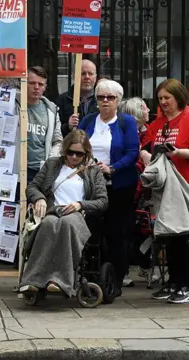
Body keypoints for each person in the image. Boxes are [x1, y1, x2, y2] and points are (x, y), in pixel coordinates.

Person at [20, 130, 108, 296]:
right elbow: (32, 187)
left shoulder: (93, 170)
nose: (74, 157)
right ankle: (33, 280)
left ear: (86, 153)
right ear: (64, 150)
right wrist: (39, 198)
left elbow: (102, 201)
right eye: (70, 152)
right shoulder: (53, 164)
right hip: (54, 210)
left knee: (67, 225)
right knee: (47, 224)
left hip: (78, 215)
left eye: (79, 154)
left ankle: (59, 281)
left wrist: (80, 205)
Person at [77, 79, 139, 296]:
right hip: (91, 187)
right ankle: (92, 274)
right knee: (91, 230)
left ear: (118, 101)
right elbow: (76, 145)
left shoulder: (126, 122)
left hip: (118, 186)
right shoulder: (88, 120)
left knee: (116, 233)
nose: (105, 101)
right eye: (101, 97)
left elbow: (133, 152)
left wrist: (112, 168)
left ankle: (117, 278)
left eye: (110, 97)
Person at [140, 79, 189, 303]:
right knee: (167, 236)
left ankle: (184, 284)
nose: (163, 102)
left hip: (183, 183)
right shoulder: (158, 122)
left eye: (167, 98)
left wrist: (177, 152)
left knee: (183, 236)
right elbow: (145, 146)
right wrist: (149, 156)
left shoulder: (187, 117)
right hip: (163, 187)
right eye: (160, 98)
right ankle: (173, 281)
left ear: (178, 97)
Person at [118, 97, 155, 286]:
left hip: (146, 188)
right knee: (129, 228)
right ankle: (125, 269)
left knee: (146, 228)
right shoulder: (128, 132)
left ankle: (144, 264)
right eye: (144, 106)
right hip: (132, 186)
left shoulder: (149, 131)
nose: (149, 109)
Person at [26, 66, 63, 182]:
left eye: (40, 84)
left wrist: (50, 163)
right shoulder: (13, 105)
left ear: (45, 87)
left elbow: (57, 140)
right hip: (16, 170)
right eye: (32, 83)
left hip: (40, 171)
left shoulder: (52, 110)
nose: (36, 87)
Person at [56, 59, 99, 137]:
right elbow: (54, 132)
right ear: (74, 76)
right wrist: (68, 126)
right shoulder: (62, 100)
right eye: (83, 73)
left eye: (90, 74)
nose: (87, 77)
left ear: (96, 77)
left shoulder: (102, 100)